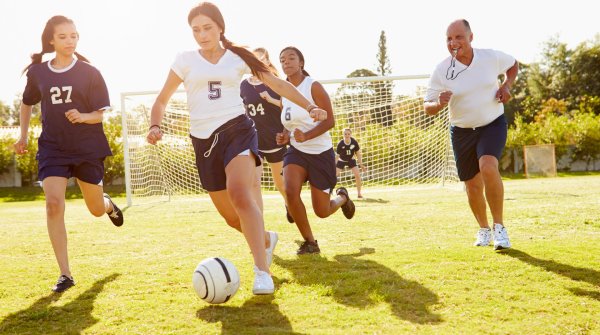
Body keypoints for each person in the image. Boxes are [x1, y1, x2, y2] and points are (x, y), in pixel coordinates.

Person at [145, 3, 327, 295]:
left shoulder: (238, 57)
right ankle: (265, 238)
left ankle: (261, 272)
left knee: (241, 195)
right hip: (203, 141)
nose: (202, 35)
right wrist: (155, 125)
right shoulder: (184, 60)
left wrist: (310, 105)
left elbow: (278, 84)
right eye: (195, 30)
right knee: (232, 217)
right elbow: (161, 100)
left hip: (237, 131)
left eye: (207, 28)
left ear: (220, 27)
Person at [13, 15, 124, 293]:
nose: (70, 41)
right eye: (63, 36)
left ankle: (108, 204)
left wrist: (82, 116)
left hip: (87, 147)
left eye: (74, 35)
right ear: (51, 40)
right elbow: (26, 104)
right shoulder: (39, 73)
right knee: (53, 204)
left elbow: (99, 116)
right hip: (53, 147)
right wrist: (23, 135)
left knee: (95, 209)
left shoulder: (89, 72)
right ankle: (65, 273)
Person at [423, 19, 518, 250]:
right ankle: (484, 229)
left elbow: (513, 65)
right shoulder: (442, 69)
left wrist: (506, 86)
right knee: (472, 186)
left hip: (491, 124)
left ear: (471, 37)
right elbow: (427, 105)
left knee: (488, 166)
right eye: (449, 38)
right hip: (462, 131)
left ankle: (499, 228)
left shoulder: (490, 57)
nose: (453, 42)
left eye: (458, 37)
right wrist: (438, 103)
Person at [276, 46, 355, 255]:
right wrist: (285, 134)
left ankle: (342, 197)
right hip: (296, 151)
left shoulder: (313, 87)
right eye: (282, 59)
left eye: (291, 58)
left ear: (301, 62)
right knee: (290, 192)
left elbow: (330, 121)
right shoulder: (284, 92)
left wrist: (308, 135)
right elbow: (289, 122)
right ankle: (310, 243)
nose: (286, 62)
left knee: (322, 211)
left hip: (320, 153)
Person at [239, 47, 292, 223]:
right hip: (253, 139)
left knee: (280, 183)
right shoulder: (244, 85)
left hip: (274, 138)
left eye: (261, 59)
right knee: (254, 183)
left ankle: (289, 204)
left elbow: (288, 107)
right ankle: (258, 225)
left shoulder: (274, 82)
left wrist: (271, 100)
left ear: (267, 62)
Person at [335, 128, 366, 199]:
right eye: (345, 134)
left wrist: (361, 164)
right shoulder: (340, 144)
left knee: (357, 175)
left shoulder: (354, 142)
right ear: (343, 135)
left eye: (348, 134)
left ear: (350, 134)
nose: (347, 135)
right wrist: (333, 165)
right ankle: (330, 191)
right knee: (333, 176)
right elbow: (337, 156)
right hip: (341, 160)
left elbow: (358, 154)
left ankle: (359, 194)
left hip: (351, 160)